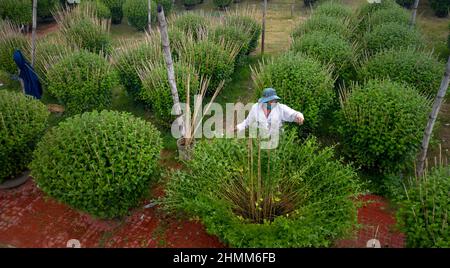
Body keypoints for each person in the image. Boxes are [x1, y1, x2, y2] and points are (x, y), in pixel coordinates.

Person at [235, 88, 304, 137]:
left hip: (278, 140)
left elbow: (293, 114)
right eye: (270, 101)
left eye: (274, 101)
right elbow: (247, 122)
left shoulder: (280, 108)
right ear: (264, 101)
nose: (273, 103)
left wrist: (299, 116)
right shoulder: (255, 108)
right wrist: (237, 128)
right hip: (261, 139)